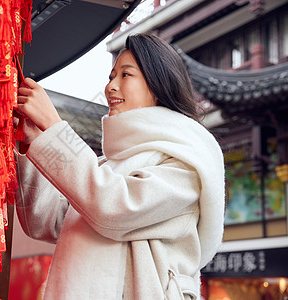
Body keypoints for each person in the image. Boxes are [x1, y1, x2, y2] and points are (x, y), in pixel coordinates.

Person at [14, 33, 225, 300]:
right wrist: (30, 142)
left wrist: (56, 129)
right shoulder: (108, 167)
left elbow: (112, 206)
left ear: (159, 88)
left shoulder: (187, 165)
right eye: (111, 77)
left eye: (125, 75)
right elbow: (46, 221)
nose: (111, 86)